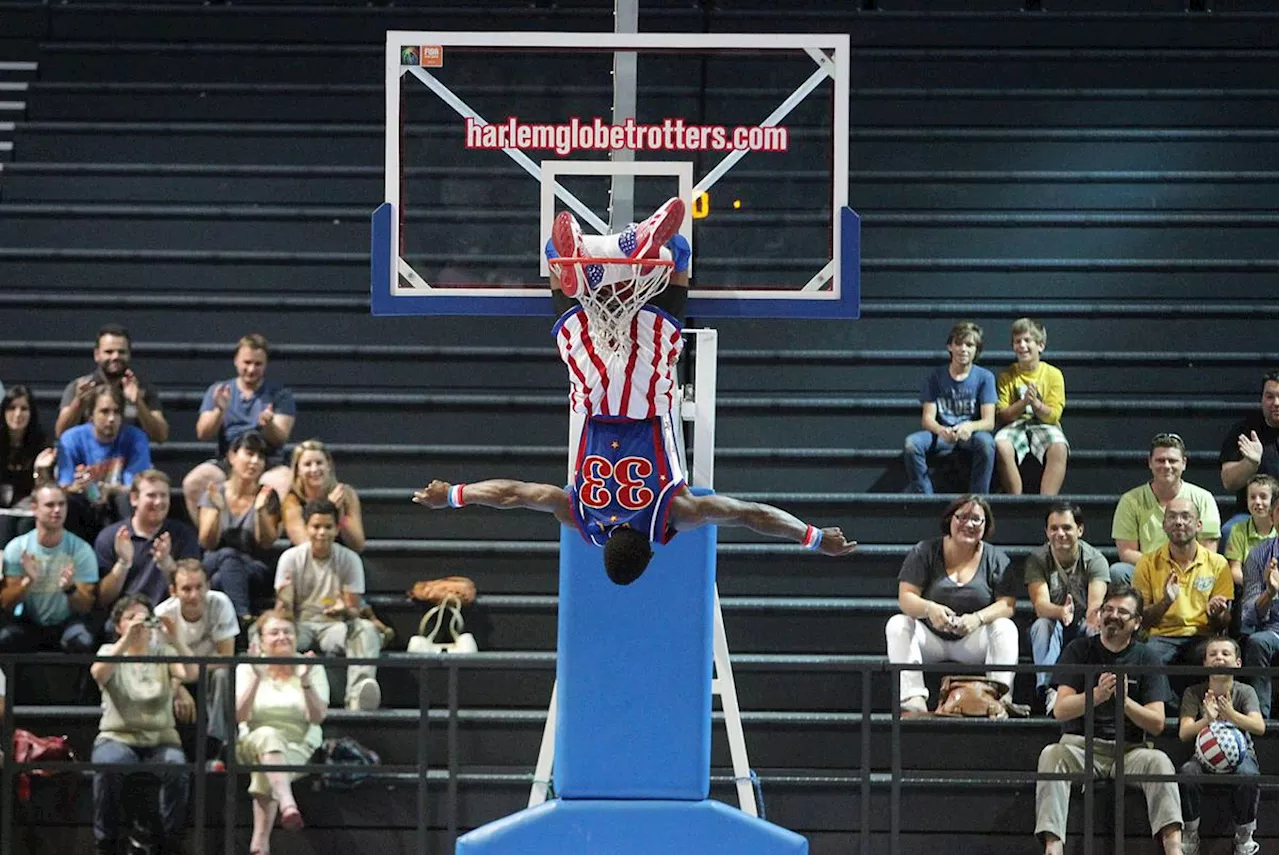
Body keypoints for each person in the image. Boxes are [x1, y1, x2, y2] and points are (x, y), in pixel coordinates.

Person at [421, 198, 853, 586]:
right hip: (592, 390)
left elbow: (747, 514)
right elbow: (518, 494)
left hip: (645, 391)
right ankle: (598, 260)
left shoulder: (675, 512)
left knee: (680, 255)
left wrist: (812, 537)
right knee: (555, 257)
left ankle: (639, 256)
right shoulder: (581, 519)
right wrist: (455, 495)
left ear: (649, 550)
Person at [1034, 583, 1182, 855]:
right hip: (1080, 746)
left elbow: (1157, 723)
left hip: (1130, 750)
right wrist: (1098, 695)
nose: (1113, 616)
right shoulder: (1078, 650)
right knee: (1050, 755)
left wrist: (1124, 702)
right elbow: (1061, 709)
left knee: (1160, 762)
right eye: (1108, 609)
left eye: (1122, 612)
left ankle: (1174, 849)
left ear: (1137, 623)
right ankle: (1053, 849)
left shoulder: (1147, 657)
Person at [884, 494, 1019, 713]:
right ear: (950, 520)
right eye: (962, 517)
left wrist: (977, 618)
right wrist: (930, 608)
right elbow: (906, 597)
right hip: (931, 638)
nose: (969, 524)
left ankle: (999, 699)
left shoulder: (996, 558)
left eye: (977, 519)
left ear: (986, 525)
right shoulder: (925, 551)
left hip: (971, 641)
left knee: (1005, 628)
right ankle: (912, 700)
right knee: (897, 624)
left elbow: (1007, 604)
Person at [90, 594, 196, 855]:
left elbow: (192, 673)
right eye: (130, 618)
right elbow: (99, 673)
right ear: (118, 626)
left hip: (161, 738)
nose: (139, 623)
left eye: (143, 617)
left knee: (176, 769)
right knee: (109, 766)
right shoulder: (109, 651)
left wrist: (175, 637)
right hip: (118, 736)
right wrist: (127, 641)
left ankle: (170, 842)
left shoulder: (163, 652)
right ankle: (106, 841)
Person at [274, 498, 381, 710]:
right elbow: (283, 612)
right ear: (306, 528)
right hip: (300, 625)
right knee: (267, 632)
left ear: (337, 528)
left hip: (334, 627)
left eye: (328, 527)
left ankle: (358, 694)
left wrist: (344, 610)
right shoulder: (290, 558)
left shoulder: (349, 560)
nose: (321, 533)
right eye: (316, 526)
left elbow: (353, 610)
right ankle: (276, 693)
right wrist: (284, 598)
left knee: (366, 630)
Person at [235, 610, 327, 851]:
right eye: (274, 632)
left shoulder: (310, 666)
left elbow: (317, 717)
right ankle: (287, 802)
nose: (282, 637)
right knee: (268, 736)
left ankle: (260, 844)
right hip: (252, 741)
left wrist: (305, 681)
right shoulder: (248, 665)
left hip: (297, 746)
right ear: (261, 640)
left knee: (266, 766)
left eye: (287, 632)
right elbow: (240, 716)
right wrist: (256, 677)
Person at [182, 334, 296, 522]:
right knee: (193, 482)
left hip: (268, 461)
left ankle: (261, 540)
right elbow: (202, 433)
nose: (251, 369)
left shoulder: (281, 395)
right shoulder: (219, 390)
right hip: (228, 460)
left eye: (258, 364)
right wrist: (219, 410)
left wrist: (269, 425)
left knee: (282, 483)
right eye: (247, 362)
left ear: (265, 364)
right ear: (236, 361)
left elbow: (280, 437)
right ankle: (211, 536)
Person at [1176, 636, 1264, 855]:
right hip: (1203, 756)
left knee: (1248, 775)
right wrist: (1207, 719)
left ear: (1237, 662)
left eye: (1226, 654)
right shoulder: (1193, 692)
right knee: (1187, 772)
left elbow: (1259, 726)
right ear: (1205, 662)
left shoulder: (1245, 692)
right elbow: (1184, 733)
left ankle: (1244, 836)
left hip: (1242, 755)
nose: (1219, 659)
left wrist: (1230, 714)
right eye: (1213, 654)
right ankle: (1190, 833)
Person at [1024, 501, 1110, 714]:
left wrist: (1091, 617)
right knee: (1042, 625)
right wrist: (1061, 612)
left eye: (1067, 528)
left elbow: (1096, 604)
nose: (1060, 534)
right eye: (1054, 528)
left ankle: (1092, 693)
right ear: (1046, 531)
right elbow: (1040, 606)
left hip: (1081, 623)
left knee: (1096, 627)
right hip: (1055, 621)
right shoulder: (1038, 559)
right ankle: (1048, 690)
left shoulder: (1095, 559)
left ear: (1080, 530)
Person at [1132, 498, 1233, 670]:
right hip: (1161, 636)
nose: (1179, 522)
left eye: (1186, 517)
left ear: (1199, 525)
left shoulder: (1218, 564)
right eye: (1172, 517)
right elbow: (1142, 620)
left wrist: (1216, 613)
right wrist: (1166, 602)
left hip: (1202, 635)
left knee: (1216, 656)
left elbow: (1223, 623)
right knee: (1147, 656)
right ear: (1164, 525)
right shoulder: (1147, 562)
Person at [1110, 433, 1221, 584]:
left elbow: (1208, 550)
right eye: (1160, 460)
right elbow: (1126, 553)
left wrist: (1181, 568)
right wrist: (1164, 567)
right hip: (1149, 571)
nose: (1166, 466)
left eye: (1173, 461)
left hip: (1192, 571)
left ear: (1184, 463)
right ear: (1150, 463)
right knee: (1119, 571)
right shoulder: (1130, 501)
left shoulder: (1204, 498)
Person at [0, 482, 98, 653]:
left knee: (82, 640)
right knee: (6, 638)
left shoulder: (81, 550)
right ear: (34, 508)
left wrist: (70, 589)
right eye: (50, 505)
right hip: (29, 620)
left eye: (62, 504)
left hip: (67, 622)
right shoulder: (17, 548)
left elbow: (86, 606)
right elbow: (6, 603)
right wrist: (27, 581)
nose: (57, 510)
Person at [154, 558, 239, 757]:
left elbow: (226, 658)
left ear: (208, 585)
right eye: (186, 589)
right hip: (178, 674)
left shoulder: (220, 603)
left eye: (200, 587)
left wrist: (189, 674)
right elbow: (161, 665)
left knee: (223, 675)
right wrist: (179, 688)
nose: (195, 595)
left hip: (209, 671)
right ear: (173, 591)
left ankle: (218, 741)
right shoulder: (163, 614)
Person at [902, 321, 997, 495]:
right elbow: (927, 418)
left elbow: (989, 421)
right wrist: (941, 430)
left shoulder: (985, 377)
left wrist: (970, 426)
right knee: (912, 445)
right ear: (950, 346)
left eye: (969, 345)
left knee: (987, 443)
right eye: (959, 344)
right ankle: (926, 498)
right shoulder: (935, 376)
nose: (963, 349)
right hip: (942, 434)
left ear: (977, 350)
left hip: (970, 435)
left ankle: (978, 500)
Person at [198, 432, 281, 621]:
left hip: (253, 568)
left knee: (221, 577)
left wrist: (260, 511)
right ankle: (243, 617)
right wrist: (218, 510)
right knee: (226, 556)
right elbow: (206, 542)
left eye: (260, 457)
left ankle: (237, 619)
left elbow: (266, 543)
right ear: (232, 456)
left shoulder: (268, 495)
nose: (254, 461)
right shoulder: (214, 492)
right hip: (214, 562)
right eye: (249, 454)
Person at [57, 385, 153, 542]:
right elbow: (64, 487)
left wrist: (108, 489)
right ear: (91, 415)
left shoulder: (136, 438)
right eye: (104, 411)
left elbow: (137, 488)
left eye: (116, 412)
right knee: (68, 502)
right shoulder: (71, 439)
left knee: (125, 499)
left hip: (117, 504)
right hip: (83, 505)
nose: (111, 419)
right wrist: (80, 486)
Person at [95, 469, 201, 611]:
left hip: (170, 616)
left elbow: (193, 590)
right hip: (126, 618)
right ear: (134, 499)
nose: (158, 502)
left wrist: (167, 563)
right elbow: (103, 598)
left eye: (163, 495)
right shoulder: (110, 537)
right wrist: (123, 563)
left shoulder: (183, 534)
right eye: (151, 495)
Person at [56, 323, 168, 444]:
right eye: (109, 352)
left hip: (130, 460)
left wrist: (138, 402)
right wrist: (78, 403)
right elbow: (61, 433)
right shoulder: (80, 387)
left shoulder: (142, 389)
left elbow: (161, 436)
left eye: (121, 352)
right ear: (97, 355)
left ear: (129, 354)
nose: (115, 356)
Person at [993, 318, 1069, 496]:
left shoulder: (1053, 374)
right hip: (1016, 424)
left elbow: (1053, 415)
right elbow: (1003, 415)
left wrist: (1035, 403)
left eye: (1027, 341)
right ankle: (1015, 499)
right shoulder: (1006, 375)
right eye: (1017, 341)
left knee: (1059, 446)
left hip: (1044, 424)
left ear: (1040, 346)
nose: (1022, 346)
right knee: (1001, 445)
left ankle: (1047, 501)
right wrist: (1023, 402)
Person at [1218, 369, 1280, 543]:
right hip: (1252, 515)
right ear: (1262, 399)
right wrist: (1250, 463)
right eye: (1269, 396)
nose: (1276, 402)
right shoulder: (1244, 431)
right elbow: (1228, 482)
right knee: (1229, 532)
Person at [281, 439, 365, 552]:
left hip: (342, 557)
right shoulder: (291, 500)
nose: (314, 469)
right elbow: (305, 545)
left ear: (328, 465)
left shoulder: (346, 494)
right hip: (306, 562)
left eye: (319, 463)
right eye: (307, 464)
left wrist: (340, 517)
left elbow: (357, 545)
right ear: (298, 470)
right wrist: (327, 507)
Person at [0, 385, 57, 545]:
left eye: (24, 408)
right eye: (12, 408)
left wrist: (40, 470)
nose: (18, 414)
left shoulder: (42, 444)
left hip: (28, 508)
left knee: (26, 525)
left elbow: (44, 490)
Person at [1239, 519, 1280, 718]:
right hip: (1273, 631)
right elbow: (1247, 616)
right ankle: (1261, 721)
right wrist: (1269, 593)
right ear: (1273, 516)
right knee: (1258, 642)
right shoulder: (1258, 555)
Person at [1224, 474, 1278, 587]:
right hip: (1249, 591)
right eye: (1252, 497)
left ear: (1274, 502)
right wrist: (1256, 586)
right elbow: (1235, 570)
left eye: (1263, 497)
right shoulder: (1238, 530)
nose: (1257, 502)